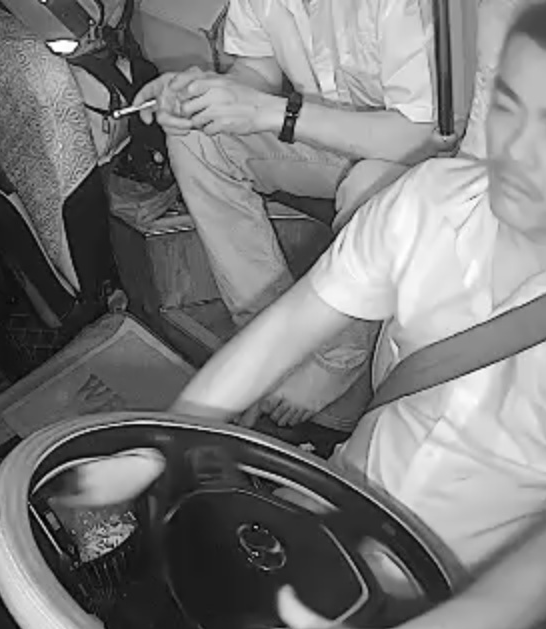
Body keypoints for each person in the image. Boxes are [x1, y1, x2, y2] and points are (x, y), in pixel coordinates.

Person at [69, 1, 546, 629]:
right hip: (339, 520)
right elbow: (284, 331)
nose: (518, 154)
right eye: (509, 110)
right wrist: (164, 444)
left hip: (476, 625)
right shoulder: (428, 201)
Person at [130, 0, 454, 432]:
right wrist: (205, 97)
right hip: (325, 135)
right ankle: (267, 343)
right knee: (198, 139)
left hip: (422, 161)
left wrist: (273, 114)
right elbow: (256, 72)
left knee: (369, 184)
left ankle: (338, 357)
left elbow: (425, 136)